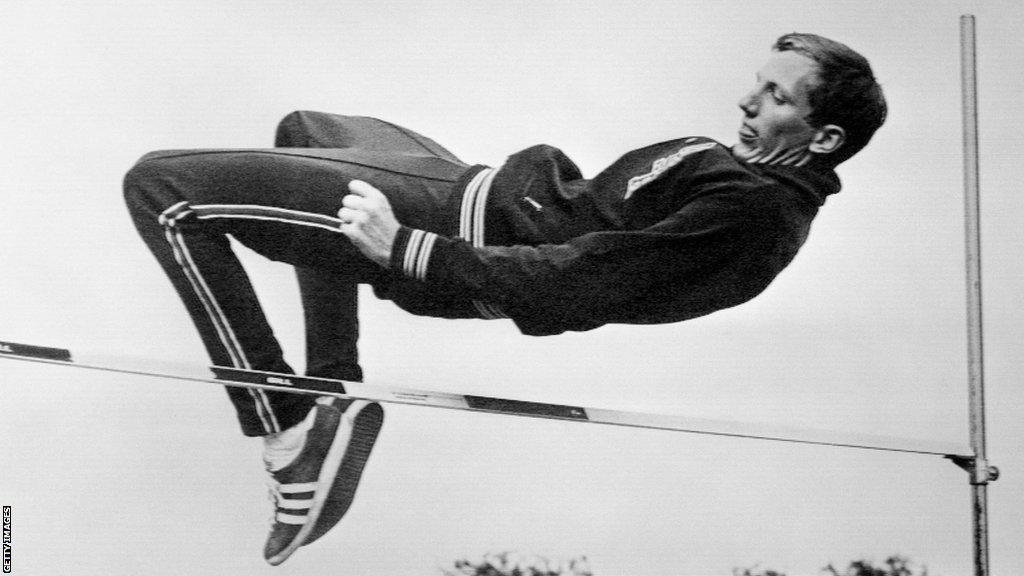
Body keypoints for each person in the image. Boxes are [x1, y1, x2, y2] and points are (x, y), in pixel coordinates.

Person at [122, 32, 886, 565]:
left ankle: (283, 429)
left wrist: (411, 251)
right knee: (305, 129)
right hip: (474, 186)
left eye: (776, 97)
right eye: (758, 84)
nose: (748, 102)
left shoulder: (753, 217)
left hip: (455, 222)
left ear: (822, 139)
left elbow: (580, 281)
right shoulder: (748, 184)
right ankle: (329, 395)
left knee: (162, 188)